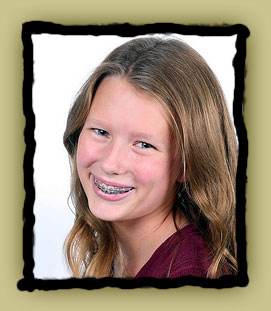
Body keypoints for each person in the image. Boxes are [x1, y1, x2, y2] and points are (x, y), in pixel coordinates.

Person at [63, 36, 238, 279]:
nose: (110, 163)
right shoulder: (119, 254)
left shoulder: (190, 276)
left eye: (143, 144)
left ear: (187, 165)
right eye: (101, 132)